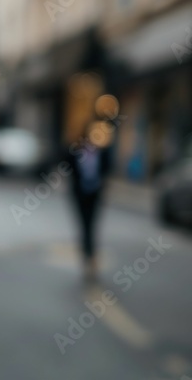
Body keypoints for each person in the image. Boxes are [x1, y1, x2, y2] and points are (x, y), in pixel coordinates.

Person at [65, 121, 112, 283]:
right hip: (80, 195)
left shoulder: (102, 153)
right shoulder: (76, 152)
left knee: (92, 226)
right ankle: (87, 256)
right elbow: (68, 168)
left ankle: (90, 257)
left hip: (94, 194)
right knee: (83, 226)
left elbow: (106, 170)